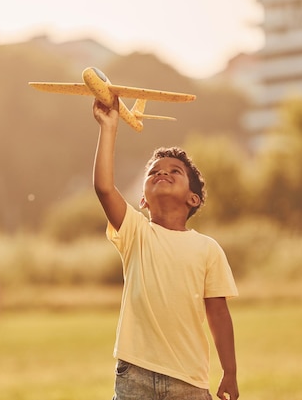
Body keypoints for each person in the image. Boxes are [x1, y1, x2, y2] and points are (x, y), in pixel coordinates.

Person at [92, 97, 239, 400]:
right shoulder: (136, 232)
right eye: (154, 171)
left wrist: (230, 371)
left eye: (175, 171)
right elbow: (104, 188)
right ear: (143, 199)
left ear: (193, 199)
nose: (163, 173)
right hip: (135, 374)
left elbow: (218, 313)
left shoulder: (207, 249)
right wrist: (108, 128)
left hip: (188, 380)